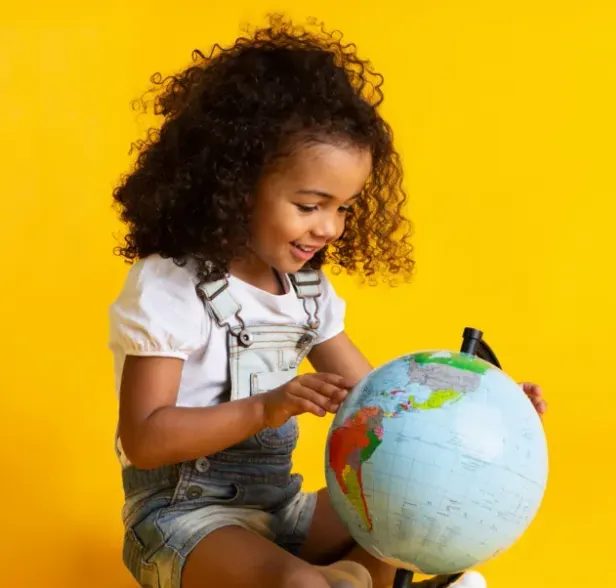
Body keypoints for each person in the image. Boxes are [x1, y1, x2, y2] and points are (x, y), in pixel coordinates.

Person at [106, 14, 547, 588]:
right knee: (301, 585)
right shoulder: (169, 287)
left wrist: (485, 406)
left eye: (344, 207)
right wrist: (264, 408)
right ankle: (332, 580)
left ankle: (353, 577)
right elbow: (144, 439)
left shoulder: (308, 294)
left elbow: (383, 408)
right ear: (236, 183)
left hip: (281, 514)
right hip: (184, 522)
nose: (330, 228)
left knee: (412, 508)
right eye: (311, 205)